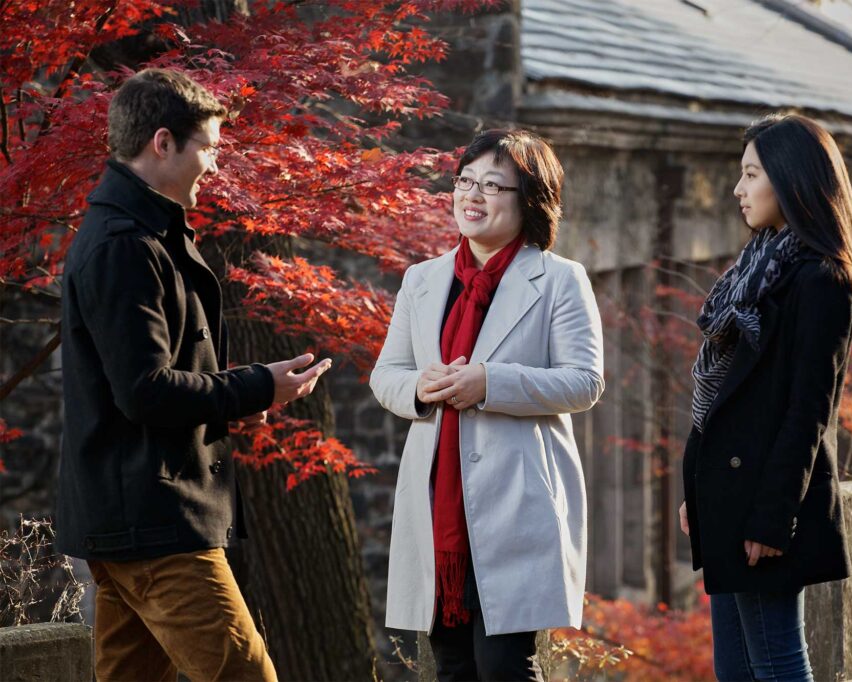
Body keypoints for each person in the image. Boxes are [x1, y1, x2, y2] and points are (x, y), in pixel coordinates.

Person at [58, 68, 332, 682]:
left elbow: (156, 377)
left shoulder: (145, 232)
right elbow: (144, 391)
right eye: (207, 147)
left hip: (137, 513)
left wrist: (244, 397)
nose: (214, 164)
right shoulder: (124, 245)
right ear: (162, 143)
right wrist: (257, 384)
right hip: (154, 520)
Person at [370, 129, 604, 681]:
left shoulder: (559, 280)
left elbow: (585, 381)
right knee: (451, 667)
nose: (472, 196)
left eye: (493, 185)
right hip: (436, 502)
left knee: (505, 668)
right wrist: (421, 390)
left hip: (516, 502)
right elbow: (386, 376)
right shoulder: (422, 280)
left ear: (529, 199)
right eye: (465, 181)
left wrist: (490, 382)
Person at [678, 114, 852, 681]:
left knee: (778, 663)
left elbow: (808, 411)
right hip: (728, 494)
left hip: (763, 504)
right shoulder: (757, 269)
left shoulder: (820, 280)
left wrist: (771, 519)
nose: (738, 189)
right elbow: (723, 399)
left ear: (793, 179)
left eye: (751, 173)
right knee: (735, 671)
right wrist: (699, 489)